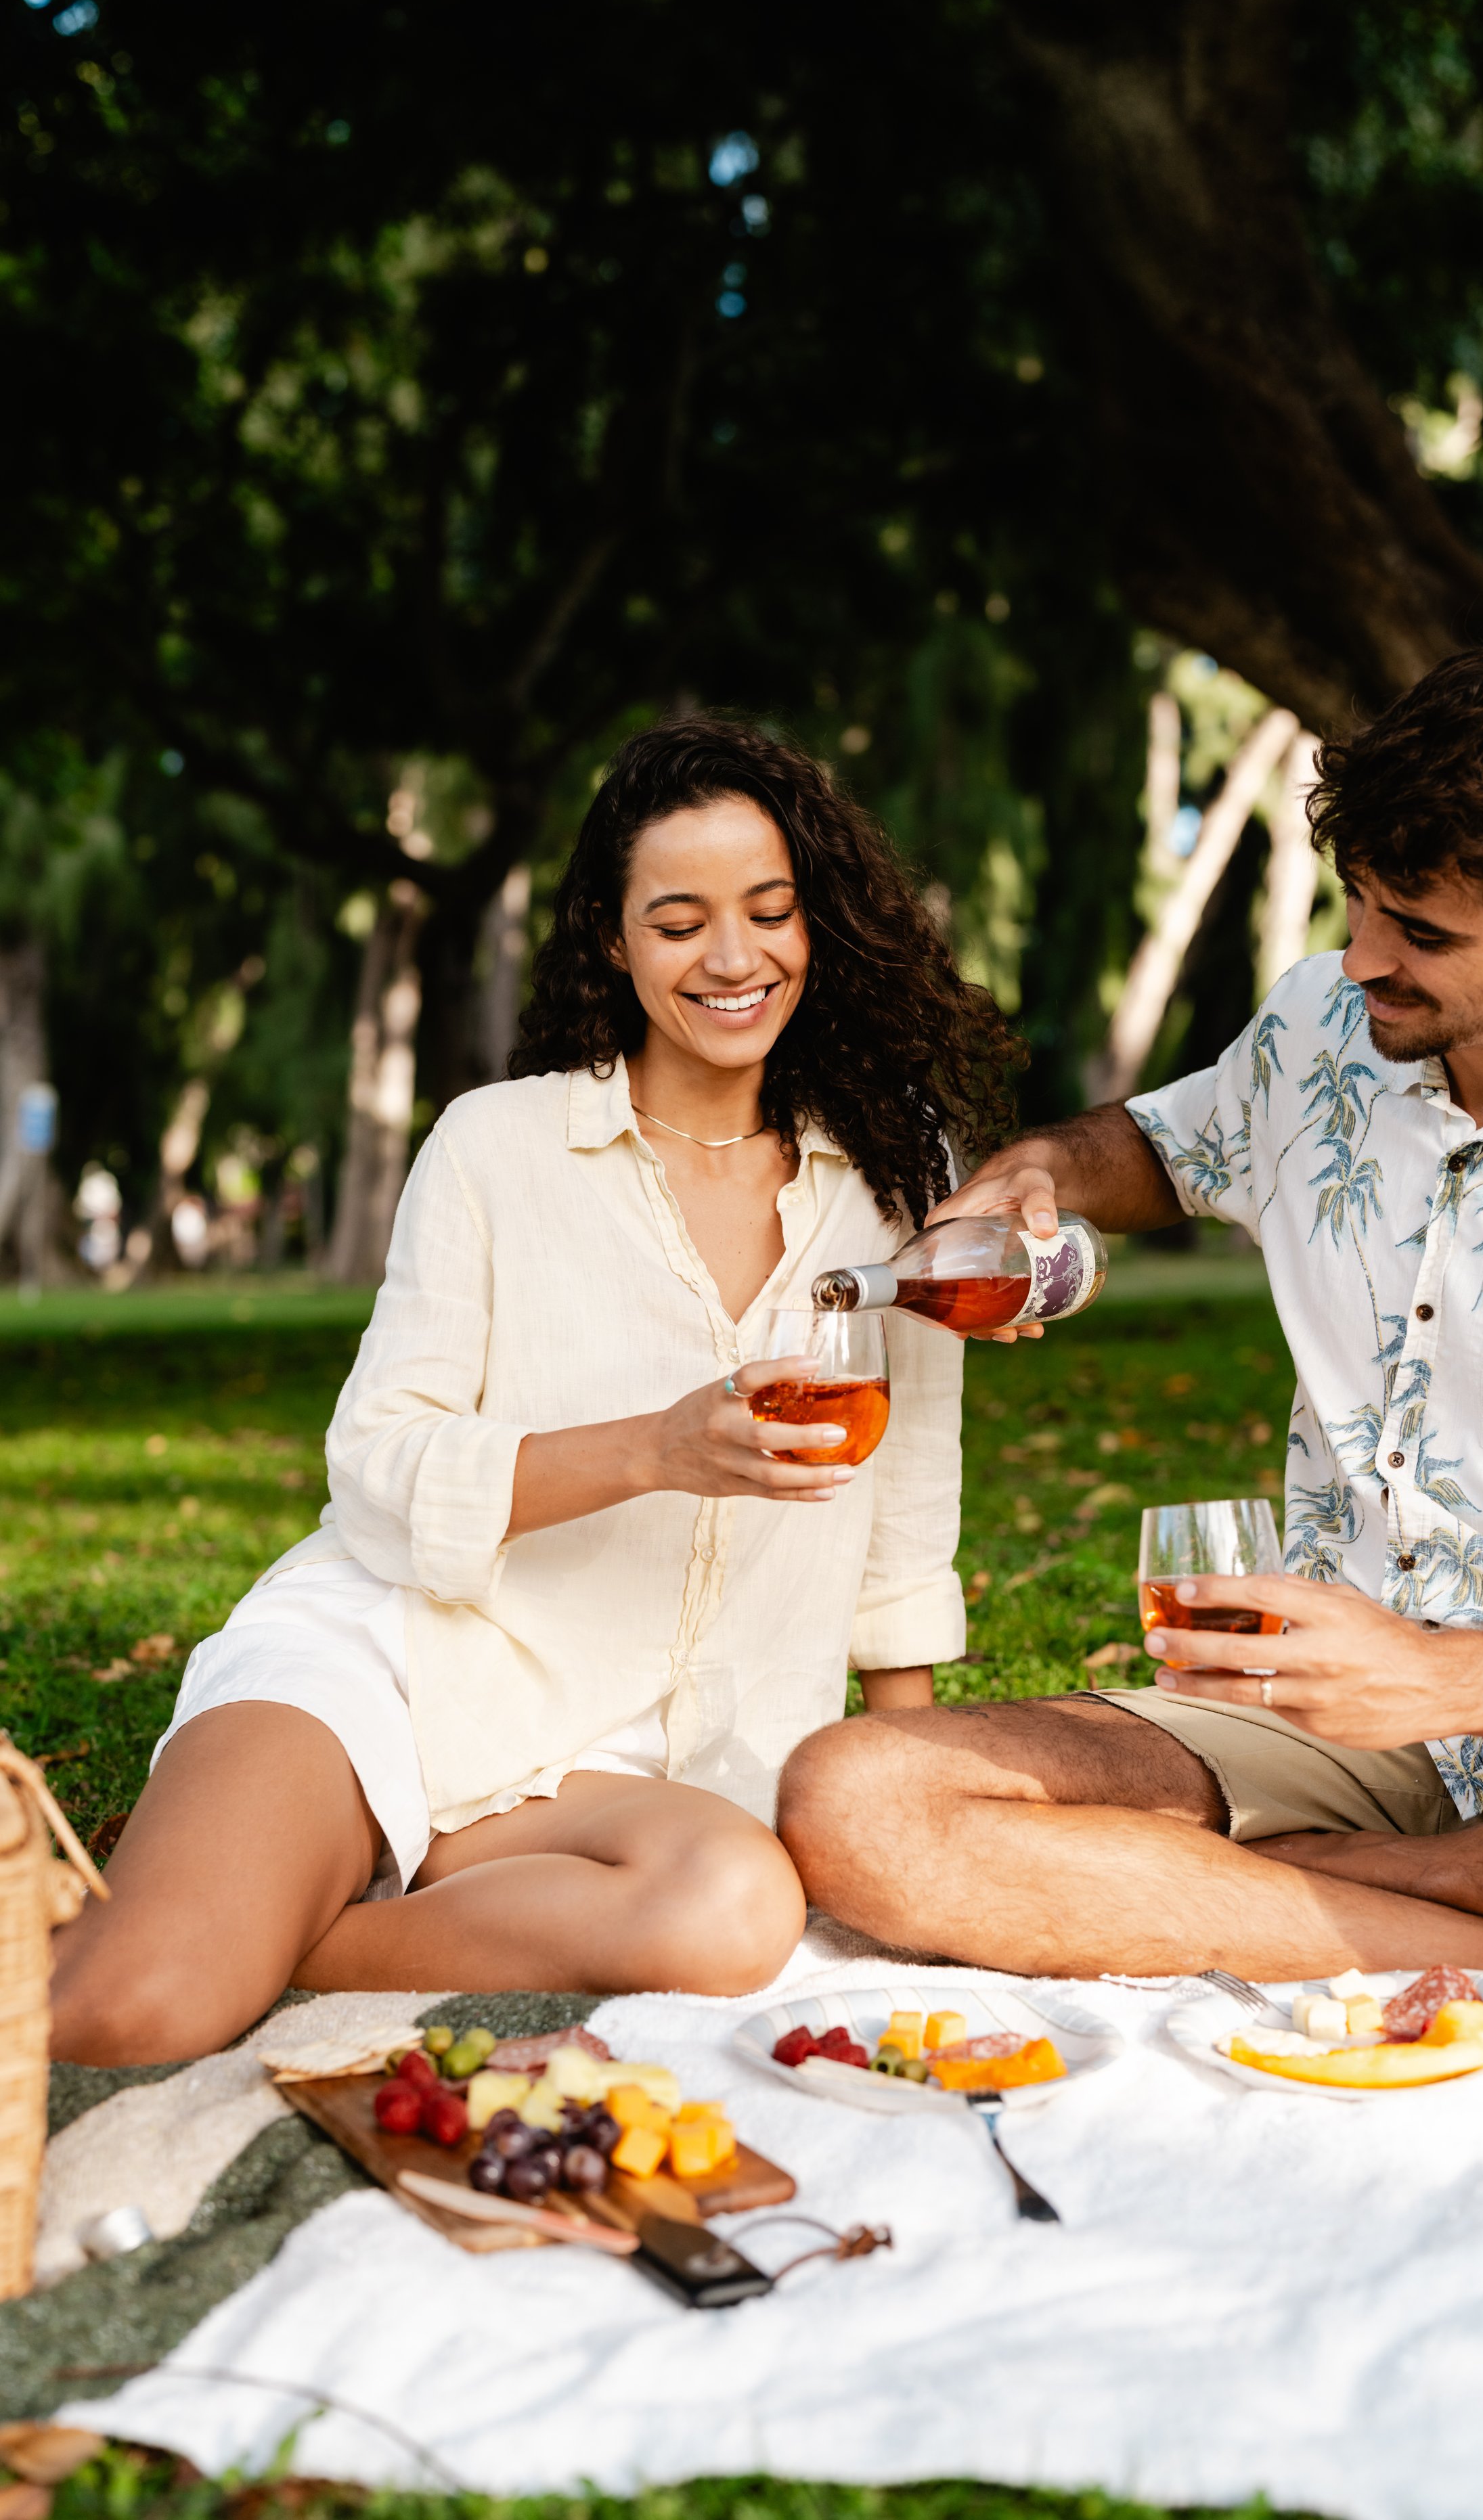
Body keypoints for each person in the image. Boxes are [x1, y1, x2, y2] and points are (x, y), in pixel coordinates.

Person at [55, 717, 1020, 2064]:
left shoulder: (893, 1185)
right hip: (403, 1665)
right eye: (678, 921)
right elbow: (379, 1465)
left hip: (640, 1770)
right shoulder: (497, 1145)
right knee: (130, 2012)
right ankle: (226, 1909)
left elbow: (905, 1515)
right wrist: (653, 1450)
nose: (732, 958)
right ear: (614, 945)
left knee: (737, 1911)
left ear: (820, 924)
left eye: (768, 911)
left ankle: (290, 1930)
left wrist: (903, 1810)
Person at [780, 642, 1483, 2023]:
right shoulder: (1327, 1029)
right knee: (859, 1802)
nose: (1364, 960)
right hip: (1305, 1720)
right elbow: (1159, 1145)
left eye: (1423, 932)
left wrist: (1441, 1677)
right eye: (1358, 905)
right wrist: (1042, 1172)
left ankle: (1337, 1884)